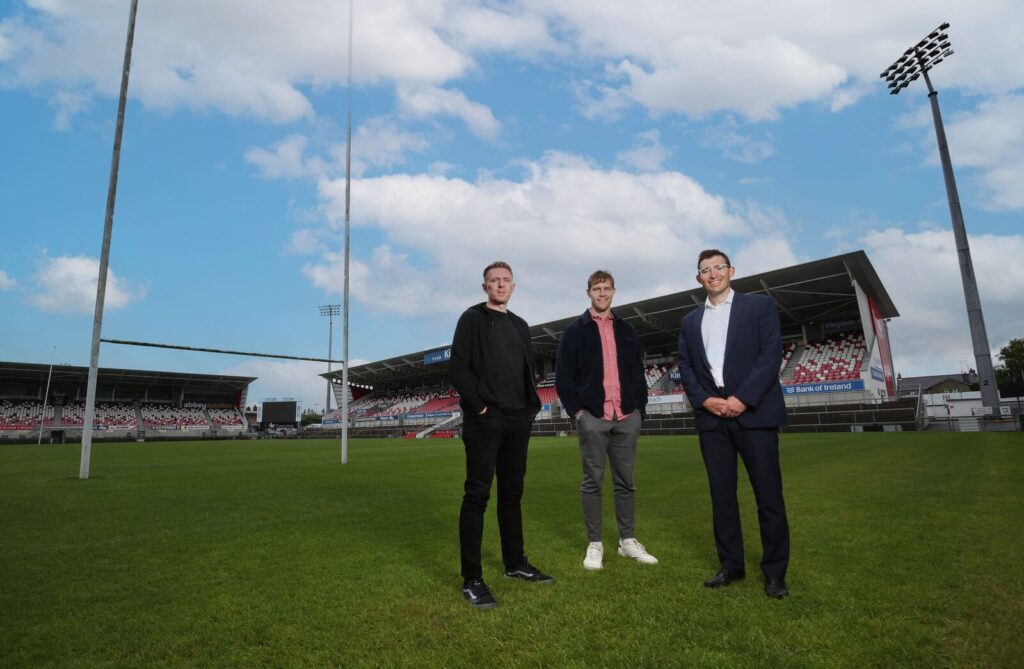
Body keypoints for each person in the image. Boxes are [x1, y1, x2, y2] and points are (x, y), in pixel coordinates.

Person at [676, 249, 791, 599]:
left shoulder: (759, 306)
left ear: (731, 271)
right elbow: (686, 367)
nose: (713, 274)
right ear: (698, 278)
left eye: (718, 267)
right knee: (722, 497)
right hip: (712, 419)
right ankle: (731, 565)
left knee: (768, 496)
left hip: (754, 414)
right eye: (705, 270)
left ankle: (775, 573)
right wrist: (704, 400)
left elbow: (770, 356)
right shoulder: (690, 321)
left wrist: (743, 398)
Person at [448, 261, 554, 610]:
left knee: (512, 494)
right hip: (485, 420)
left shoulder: (520, 325)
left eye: (506, 280)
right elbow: (458, 368)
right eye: (494, 280)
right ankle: (472, 579)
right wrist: (480, 407)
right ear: (485, 287)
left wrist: (530, 408)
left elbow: (525, 370)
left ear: (513, 286)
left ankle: (515, 563)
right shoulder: (472, 318)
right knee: (477, 495)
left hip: (518, 419)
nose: (500, 285)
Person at [555, 270, 658, 571]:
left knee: (626, 482)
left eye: (607, 288)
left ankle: (627, 541)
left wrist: (639, 410)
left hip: (626, 416)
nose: (602, 293)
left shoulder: (627, 330)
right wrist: (579, 413)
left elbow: (637, 373)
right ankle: (595, 543)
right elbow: (563, 378)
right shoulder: (574, 331)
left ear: (614, 291)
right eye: (597, 288)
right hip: (594, 418)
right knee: (592, 482)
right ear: (588, 292)